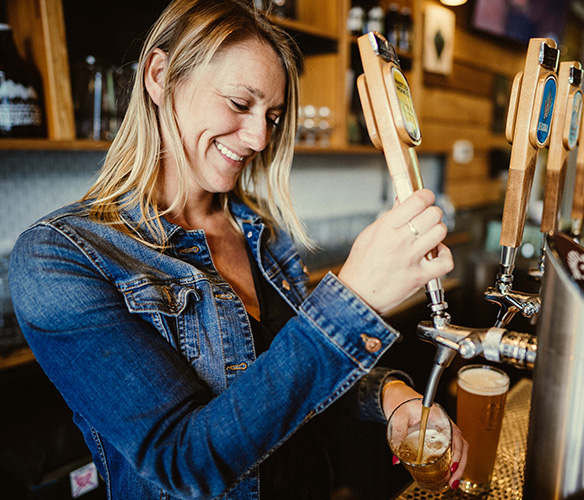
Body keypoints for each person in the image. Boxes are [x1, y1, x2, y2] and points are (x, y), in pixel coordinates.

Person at [9, 0, 466, 498]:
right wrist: (353, 300)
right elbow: (181, 460)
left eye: (272, 115)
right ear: (160, 76)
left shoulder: (260, 230)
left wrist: (393, 399)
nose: (258, 138)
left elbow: (290, 374)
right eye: (239, 103)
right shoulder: (60, 257)